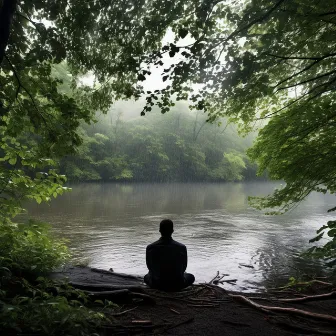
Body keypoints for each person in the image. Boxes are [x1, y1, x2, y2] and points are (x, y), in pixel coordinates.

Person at [144, 219, 195, 291]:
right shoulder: (181, 247)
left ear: (160, 231)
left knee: (146, 277)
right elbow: (184, 267)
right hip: (178, 284)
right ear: (172, 231)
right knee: (191, 277)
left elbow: (149, 267)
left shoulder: (150, 247)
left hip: (156, 284)